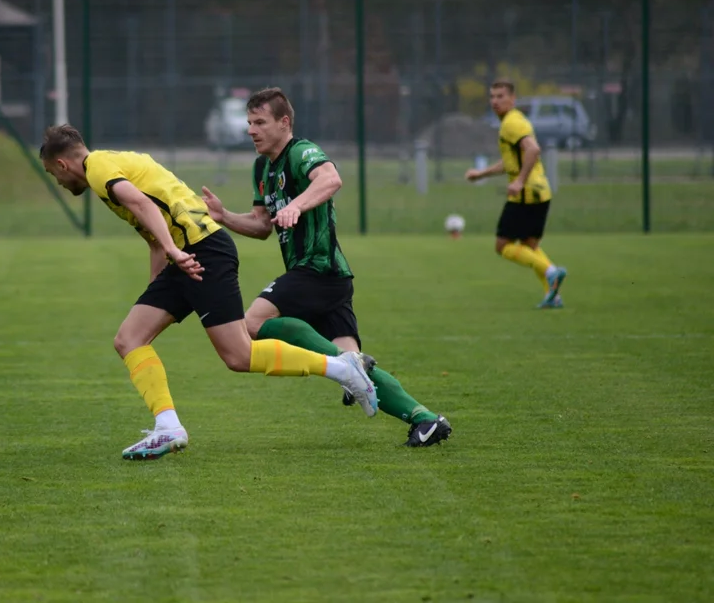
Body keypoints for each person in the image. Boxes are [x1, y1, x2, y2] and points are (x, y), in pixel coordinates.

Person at [39, 124, 377, 461]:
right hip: (189, 253)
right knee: (129, 338)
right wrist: (157, 288)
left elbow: (143, 205)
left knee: (239, 356)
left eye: (52, 174)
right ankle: (168, 427)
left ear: (62, 164)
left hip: (204, 252)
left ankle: (343, 369)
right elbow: (154, 233)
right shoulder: (113, 162)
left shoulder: (96, 169)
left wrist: (173, 250)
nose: (57, 181)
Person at [200, 87, 451, 447]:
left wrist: (297, 206)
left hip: (317, 269)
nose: (251, 130)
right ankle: (425, 419)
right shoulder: (262, 167)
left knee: (253, 323)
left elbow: (331, 179)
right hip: (328, 279)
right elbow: (260, 226)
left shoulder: (301, 151)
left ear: (284, 122)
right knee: (356, 362)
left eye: (260, 122)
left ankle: (347, 370)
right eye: (249, 123)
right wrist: (223, 216)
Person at [465, 79, 567, 308]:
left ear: (513, 99)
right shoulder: (515, 121)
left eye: (500, 96)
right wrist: (481, 174)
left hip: (526, 193)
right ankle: (553, 295)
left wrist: (520, 181)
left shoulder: (511, 123)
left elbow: (533, 149)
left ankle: (551, 272)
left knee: (503, 245)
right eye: (492, 97)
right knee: (530, 246)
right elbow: (510, 161)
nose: (495, 101)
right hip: (541, 192)